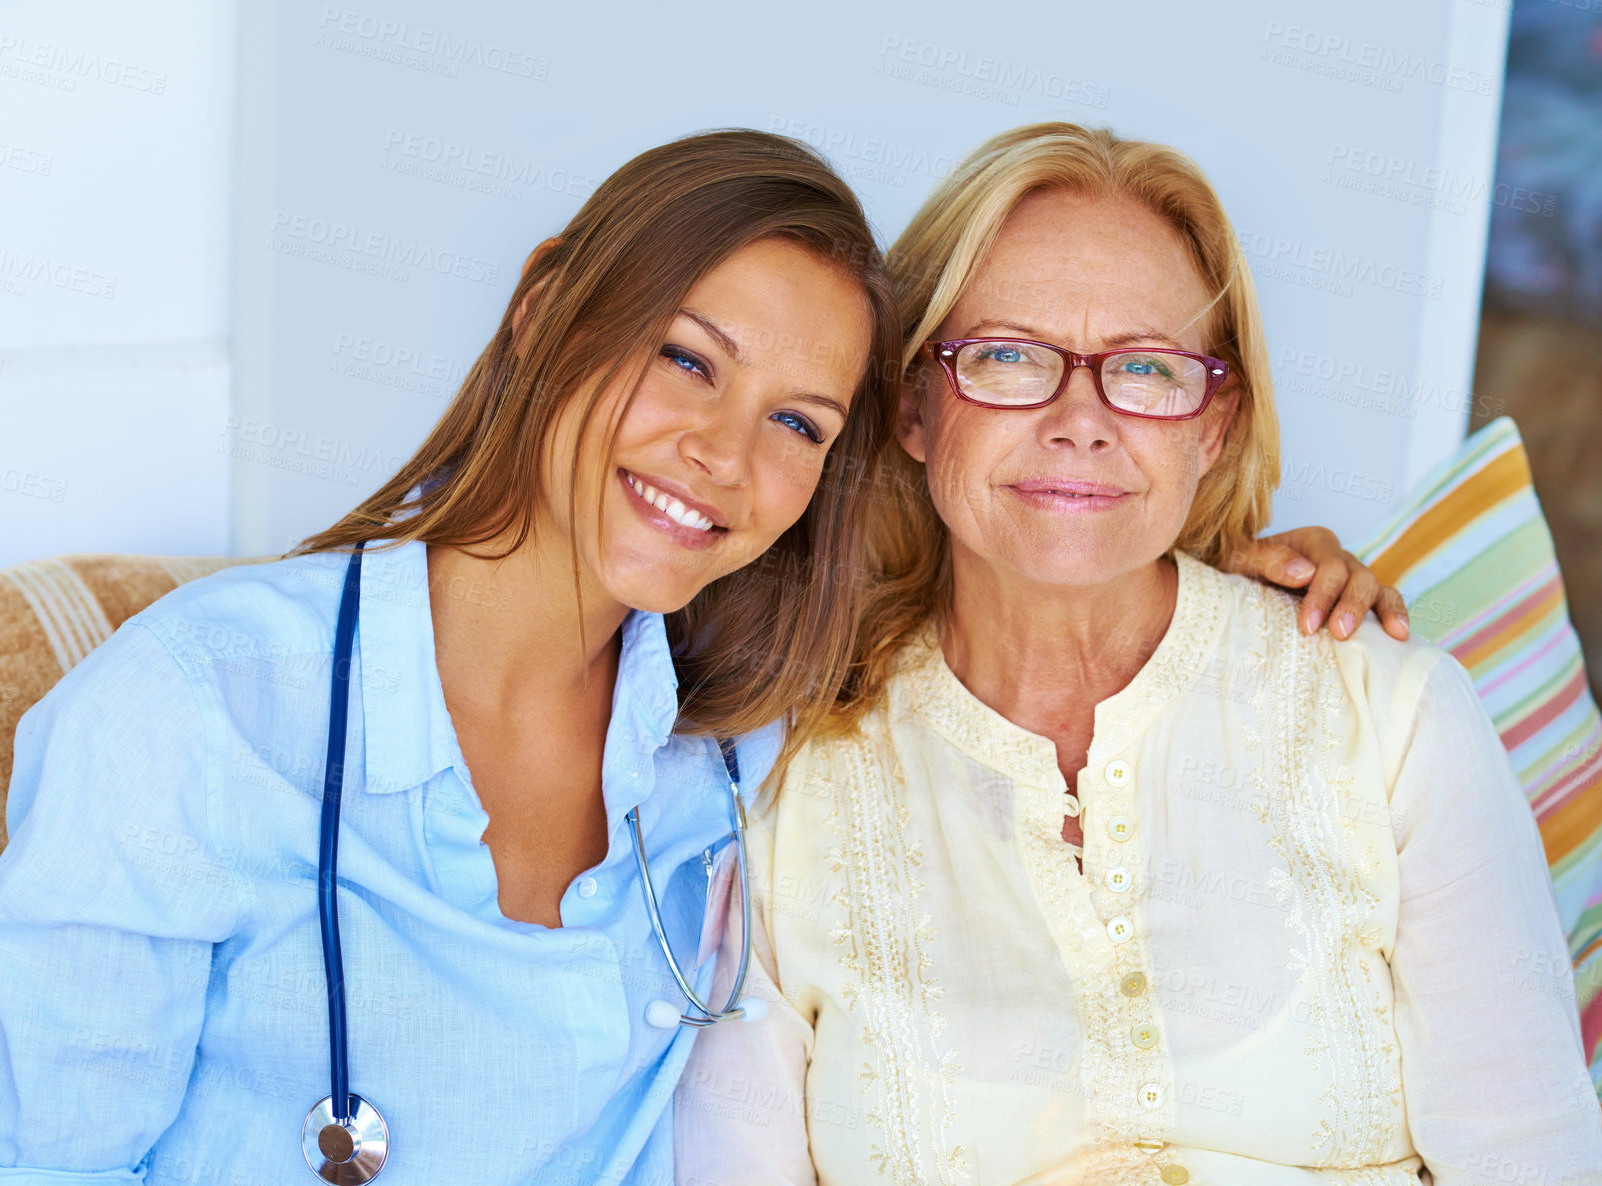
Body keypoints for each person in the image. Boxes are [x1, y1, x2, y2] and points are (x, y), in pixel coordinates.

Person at [0, 129, 1390, 1186]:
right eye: (689, 359)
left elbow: (1032, 578)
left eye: (799, 424)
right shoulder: (206, 710)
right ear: (546, 302)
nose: (720, 454)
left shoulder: (756, 740)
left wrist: (1249, 572)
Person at [676, 123, 1602, 1184]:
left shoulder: (1387, 713)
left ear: (1214, 426)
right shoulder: (777, 787)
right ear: (914, 406)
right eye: (1008, 356)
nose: (1081, 421)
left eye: (1148, 369)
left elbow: (1530, 1153)